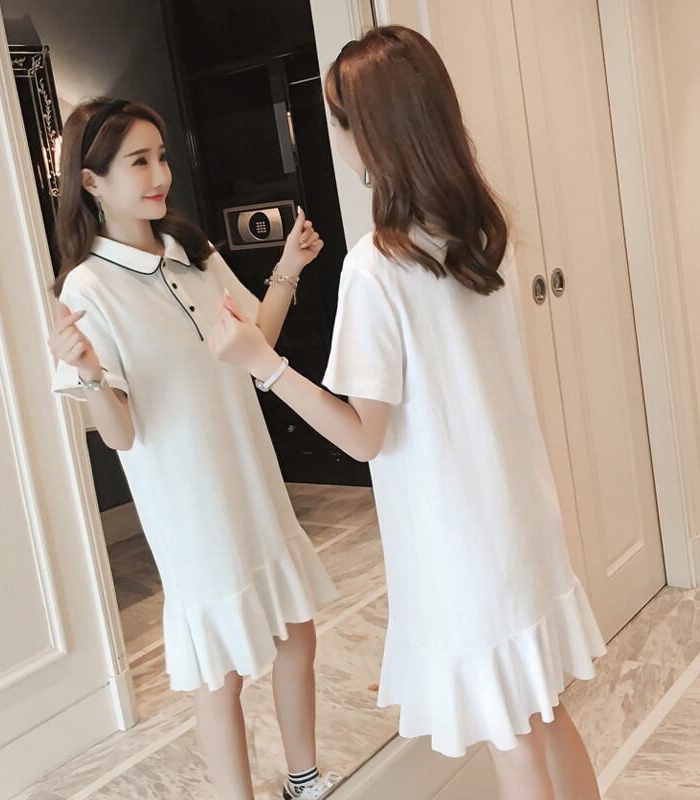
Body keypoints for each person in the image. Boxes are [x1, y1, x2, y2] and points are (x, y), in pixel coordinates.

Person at [208, 27, 607, 800]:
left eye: (341, 119)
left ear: (370, 134)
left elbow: (364, 437)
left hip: (460, 546)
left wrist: (264, 364)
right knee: (545, 716)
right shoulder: (483, 235)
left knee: (513, 743)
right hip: (521, 522)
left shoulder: (377, 267)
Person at [48, 97, 340, 800]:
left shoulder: (191, 251)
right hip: (190, 508)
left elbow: (255, 342)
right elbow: (120, 435)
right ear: (91, 182)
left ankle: (303, 781)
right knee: (222, 671)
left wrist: (289, 266)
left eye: (161, 156)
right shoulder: (86, 289)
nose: (160, 175)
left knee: (296, 633)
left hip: (250, 476)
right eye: (138, 161)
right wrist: (88, 375)